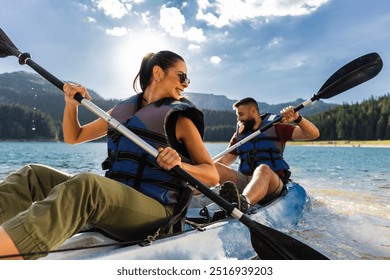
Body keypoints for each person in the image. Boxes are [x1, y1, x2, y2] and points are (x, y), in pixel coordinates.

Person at [0, 50, 219, 260]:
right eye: (182, 76)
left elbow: (212, 175)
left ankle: (6, 252)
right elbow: (74, 136)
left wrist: (181, 164)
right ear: (158, 73)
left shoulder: (181, 120)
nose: (186, 83)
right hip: (117, 204)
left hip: (156, 213)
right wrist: (70, 106)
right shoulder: (121, 112)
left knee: (88, 187)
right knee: (33, 175)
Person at [214, 97, 319, 212]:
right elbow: (223, 161)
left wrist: (297, 118)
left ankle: (244, 203)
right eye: (237, 115)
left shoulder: (276, 127)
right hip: (246, 182)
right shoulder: (239, 136)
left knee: (263, 169)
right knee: (215, 167)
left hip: (272, 183)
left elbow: (312, 134)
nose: (239, 119)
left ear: (253, 111)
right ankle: (192, 193)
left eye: (241, 114)